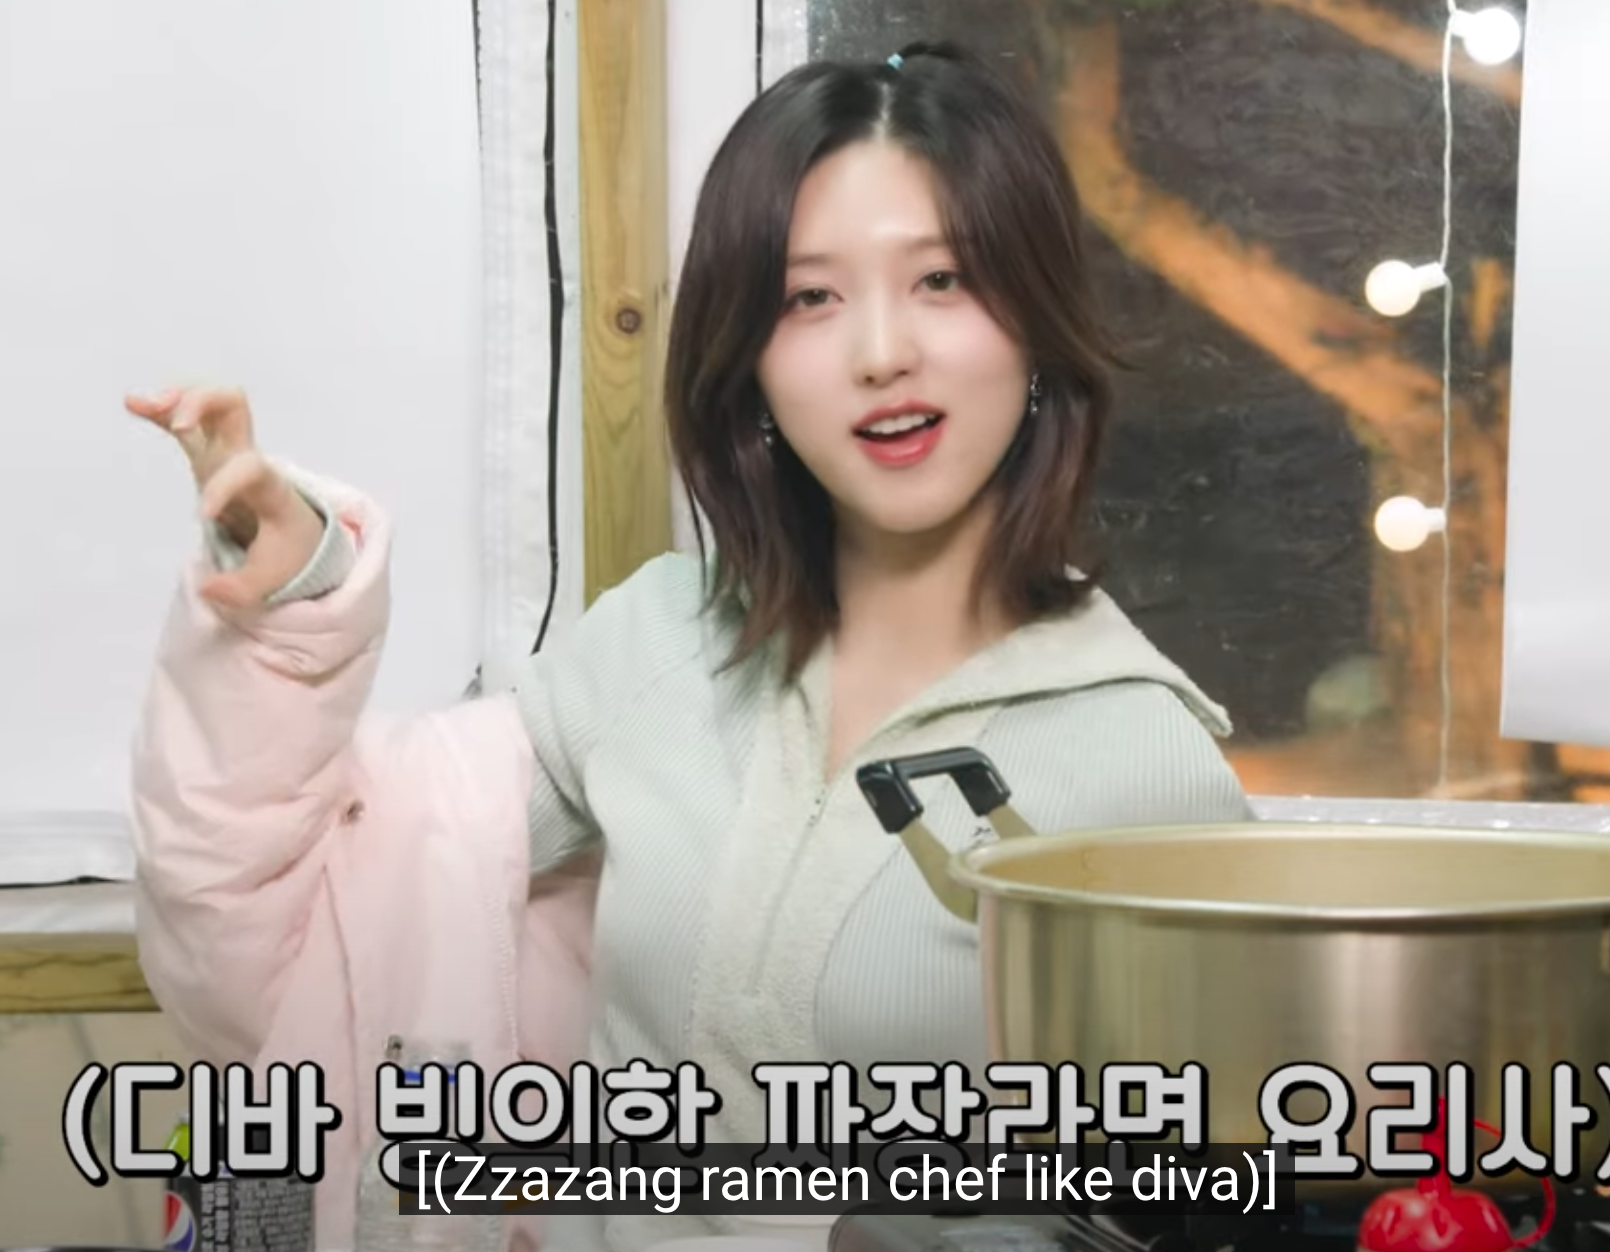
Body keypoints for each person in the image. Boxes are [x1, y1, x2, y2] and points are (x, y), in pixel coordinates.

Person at [124, 39, 1252, 1252]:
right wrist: (299, 598)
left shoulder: (1145, 764)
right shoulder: (658, 643)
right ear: (749, 363)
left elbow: (1176, 1200)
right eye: (809, 297)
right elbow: (290, 901)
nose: (880, 351)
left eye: (942, 278)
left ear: (1033, 320)